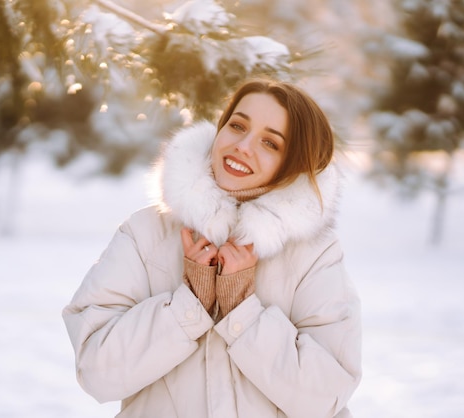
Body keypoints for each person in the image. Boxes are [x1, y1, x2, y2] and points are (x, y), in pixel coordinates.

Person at [63, 77, 362, 418]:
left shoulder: (314, 255)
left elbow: (325, 398)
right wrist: (189, 305)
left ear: (293, 164)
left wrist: (242, 313)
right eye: (237, 126)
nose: (243, 146)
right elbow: (97, 373)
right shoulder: (145, 233)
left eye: (270, 143)